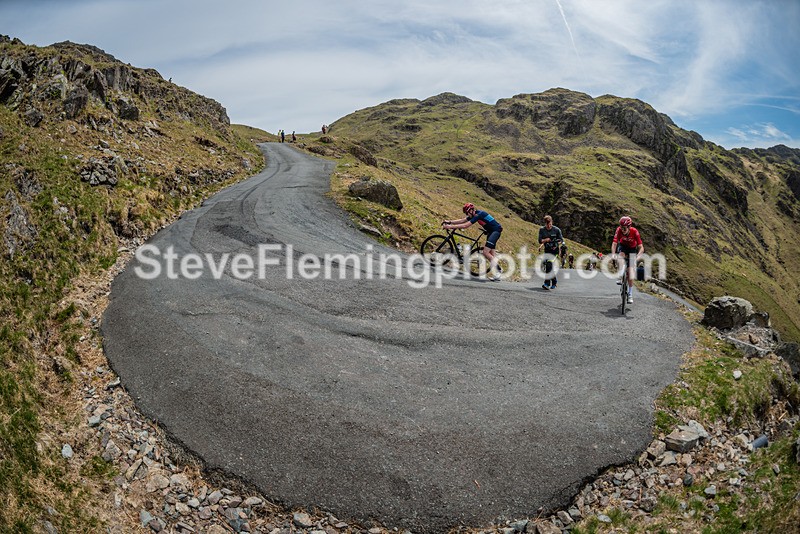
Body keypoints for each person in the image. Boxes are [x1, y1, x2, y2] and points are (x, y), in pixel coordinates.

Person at [443, 203, 503, 280]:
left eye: (466, 213)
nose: (466, 215)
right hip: (490, 232)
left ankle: (499, 271)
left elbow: (465, 225)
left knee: (485, 252)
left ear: (470, 211)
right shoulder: (474, 215)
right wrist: (449, 222)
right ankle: (497, 273)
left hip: (495, 231)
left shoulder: (479, 214)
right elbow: (462, 220)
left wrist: (450, 227)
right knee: (491, 254)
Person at [611, 215, 644, 304]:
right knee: (620, 256)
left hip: (632, 249)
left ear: (629, 227)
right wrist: (613, 254)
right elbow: (614, 243)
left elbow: (641, 248)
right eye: (621, 227)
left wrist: (638, 257)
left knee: (630, 272)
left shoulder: (635, 232)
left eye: (624, 228)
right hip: (623, 246)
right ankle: (620, 275)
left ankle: (630, 294)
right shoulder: (618, 230)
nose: (622, 230)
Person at [537, 215, 563, 290]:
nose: (549, 226)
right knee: (549, 267)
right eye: (547, 224)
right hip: (547, 250)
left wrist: (556, 244)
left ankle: (547, 283)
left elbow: (561, 240)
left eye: (550, 224)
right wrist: (546, 240)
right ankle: (554, 282)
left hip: (555, 251)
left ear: (552, 222)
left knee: (549, 265)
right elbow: (539, 240)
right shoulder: (542, 230)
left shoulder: (557, 230)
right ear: (545, 223)